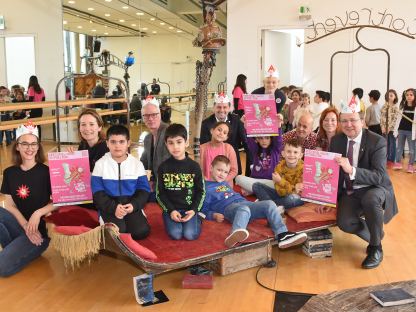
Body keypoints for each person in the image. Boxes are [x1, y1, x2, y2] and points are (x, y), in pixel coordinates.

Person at [330, 98, 398, 269]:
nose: (348, 124)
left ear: (362, 121)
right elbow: (332, 173)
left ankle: (376, 248)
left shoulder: (377, 141)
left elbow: (379, 176)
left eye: (352, 120)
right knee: (345, 223)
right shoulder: (337, 141)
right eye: (344, 121)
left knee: (370, 200)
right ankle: (375, 232)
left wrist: (351, 170)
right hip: (351, 190)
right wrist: (327, 199)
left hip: (375, 188)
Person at [200, 155, 307, 248]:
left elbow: (234, 196)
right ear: (211, 168)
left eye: (225, 172)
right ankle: (234, 235)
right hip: (229, 209)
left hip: (246, 204)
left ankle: (282, 235)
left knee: (269, 204)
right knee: (243, 209)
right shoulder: (206, 188)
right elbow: (202, 210)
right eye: (219, 170)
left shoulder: (225, 184)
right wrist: (213, 215)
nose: (222, 174)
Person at [0, 123, 54, 277]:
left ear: (38, 147)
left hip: (38, 235)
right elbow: (9, 205)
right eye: (24, 143)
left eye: (33, 144)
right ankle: (15, 248)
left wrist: (38, 213)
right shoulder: (9, 173)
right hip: (19, 227)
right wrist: (25, 225)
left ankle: (20, 249)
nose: (29, 148)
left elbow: (59, 201)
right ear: (17, 146)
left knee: (2, 268)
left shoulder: (47, 172)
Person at [91, 125, 151, 240]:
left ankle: (138, 214)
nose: (117, 146)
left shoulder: (137, 164)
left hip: (130, 203)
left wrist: (134, 205)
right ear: (107, 143)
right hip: (109, 206)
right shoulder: (100, 164)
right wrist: (113, 208)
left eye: (121, 142)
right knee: (117, 232)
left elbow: (144, 190)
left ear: (128, 143)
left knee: (141, 232)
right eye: (113, 142)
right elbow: (97, 192)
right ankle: (103, 219)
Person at [156, 124, 205, 240]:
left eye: (179, 142)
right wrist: (171, 210)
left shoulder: (194, 167)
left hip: (190, 209)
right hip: (171, 209)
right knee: (176, 235)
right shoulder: (163, 167)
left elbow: (201, 192)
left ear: (186, 143)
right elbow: (160, 194)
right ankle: (169, 217)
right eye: (171, 143)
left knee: (190, 235)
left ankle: (198, 218)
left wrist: (194, 210)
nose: (175, 147)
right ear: (166, 144)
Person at [200, 93, 250, 176]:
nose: (222, 110)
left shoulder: (236, 120)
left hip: (233, 165)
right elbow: (203, 147)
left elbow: (245, 142)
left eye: (225, 107)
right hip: (213, 166)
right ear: (214, 108)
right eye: (219, 107)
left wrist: (253, 162)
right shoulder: (206, 124)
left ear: (229, 108)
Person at [235, 114, 283, 195]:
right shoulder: (255, 149)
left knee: (275, 186)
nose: (264, 141)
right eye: (261, 138)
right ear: (257, 139)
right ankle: (257, 190)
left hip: (270, 182)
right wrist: (246, 126)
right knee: (238, 178)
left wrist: (278, 126)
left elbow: (278, 140)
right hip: (255, 180)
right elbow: (249, 139)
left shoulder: (275, 150)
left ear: (271, 139)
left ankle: (255, 190)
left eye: (267, 138)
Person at [252, 138, 305, 210]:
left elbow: (297, 193)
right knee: (256, 185)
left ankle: (267, 204)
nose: (292, 155)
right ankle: (272, 205)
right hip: (281, 194)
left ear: (300, 155)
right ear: (283, 153)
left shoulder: (304, 169)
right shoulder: (279, 167)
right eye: (288, 151)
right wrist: (292, 188)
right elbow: (279, 191)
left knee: (294, 198)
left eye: (295, 152)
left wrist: (280, 181)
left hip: (293, 198)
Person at [140, 96, 170, 192]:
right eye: (146, 115)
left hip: (169, 185)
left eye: (154, 114)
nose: (150, 118)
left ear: (160, 114)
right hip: (154, 184)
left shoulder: (169, 133)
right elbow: (144, 163)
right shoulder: (148, 138)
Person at [200, 121, 238, 186]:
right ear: (212, 130)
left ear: (226, 137)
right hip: (207, 185)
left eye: (224, 133)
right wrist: (205, 180)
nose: (221, 133)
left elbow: (234, 170)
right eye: (219, 130)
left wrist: (223, 181)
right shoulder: (202, 148)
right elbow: (198, 170)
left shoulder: (229, 148)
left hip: (224, 185)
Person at [392, 88, 416, 173]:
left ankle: (410, 165)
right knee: (399, 148)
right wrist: (396, 130)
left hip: (411, 132)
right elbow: (398, 119)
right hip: (401, 130)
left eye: (411, 95)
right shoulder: (402, 106)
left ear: (414, 96)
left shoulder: (415, 107)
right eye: (407, 95)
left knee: (412, 150)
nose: (409, 96)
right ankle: (398, 163)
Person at [380, 89, 399, 167]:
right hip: (384, 129)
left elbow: (395, 119)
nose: (389, 97)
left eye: (391, 95)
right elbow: (381, 118)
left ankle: (391, 159)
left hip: (392, 129)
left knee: (392, 144)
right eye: (388, 95)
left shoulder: (395, 107)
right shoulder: (384, 106)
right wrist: (382, 127)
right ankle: (385, 159)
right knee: (385, 144)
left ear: (395, 97)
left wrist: (389, 127)